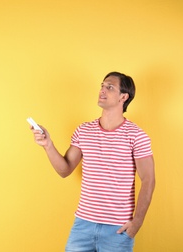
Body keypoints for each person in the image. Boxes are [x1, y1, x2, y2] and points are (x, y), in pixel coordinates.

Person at [30, 71, 155, 252]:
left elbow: (149, 180)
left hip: (118, 230)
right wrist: (47, 145)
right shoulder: (84, 131)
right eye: (102, 86)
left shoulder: (136, 135)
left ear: (123, 96)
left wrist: (137, 223)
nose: (102, 90)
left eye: (109, 87)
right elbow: (64, 170)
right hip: (83, 225)